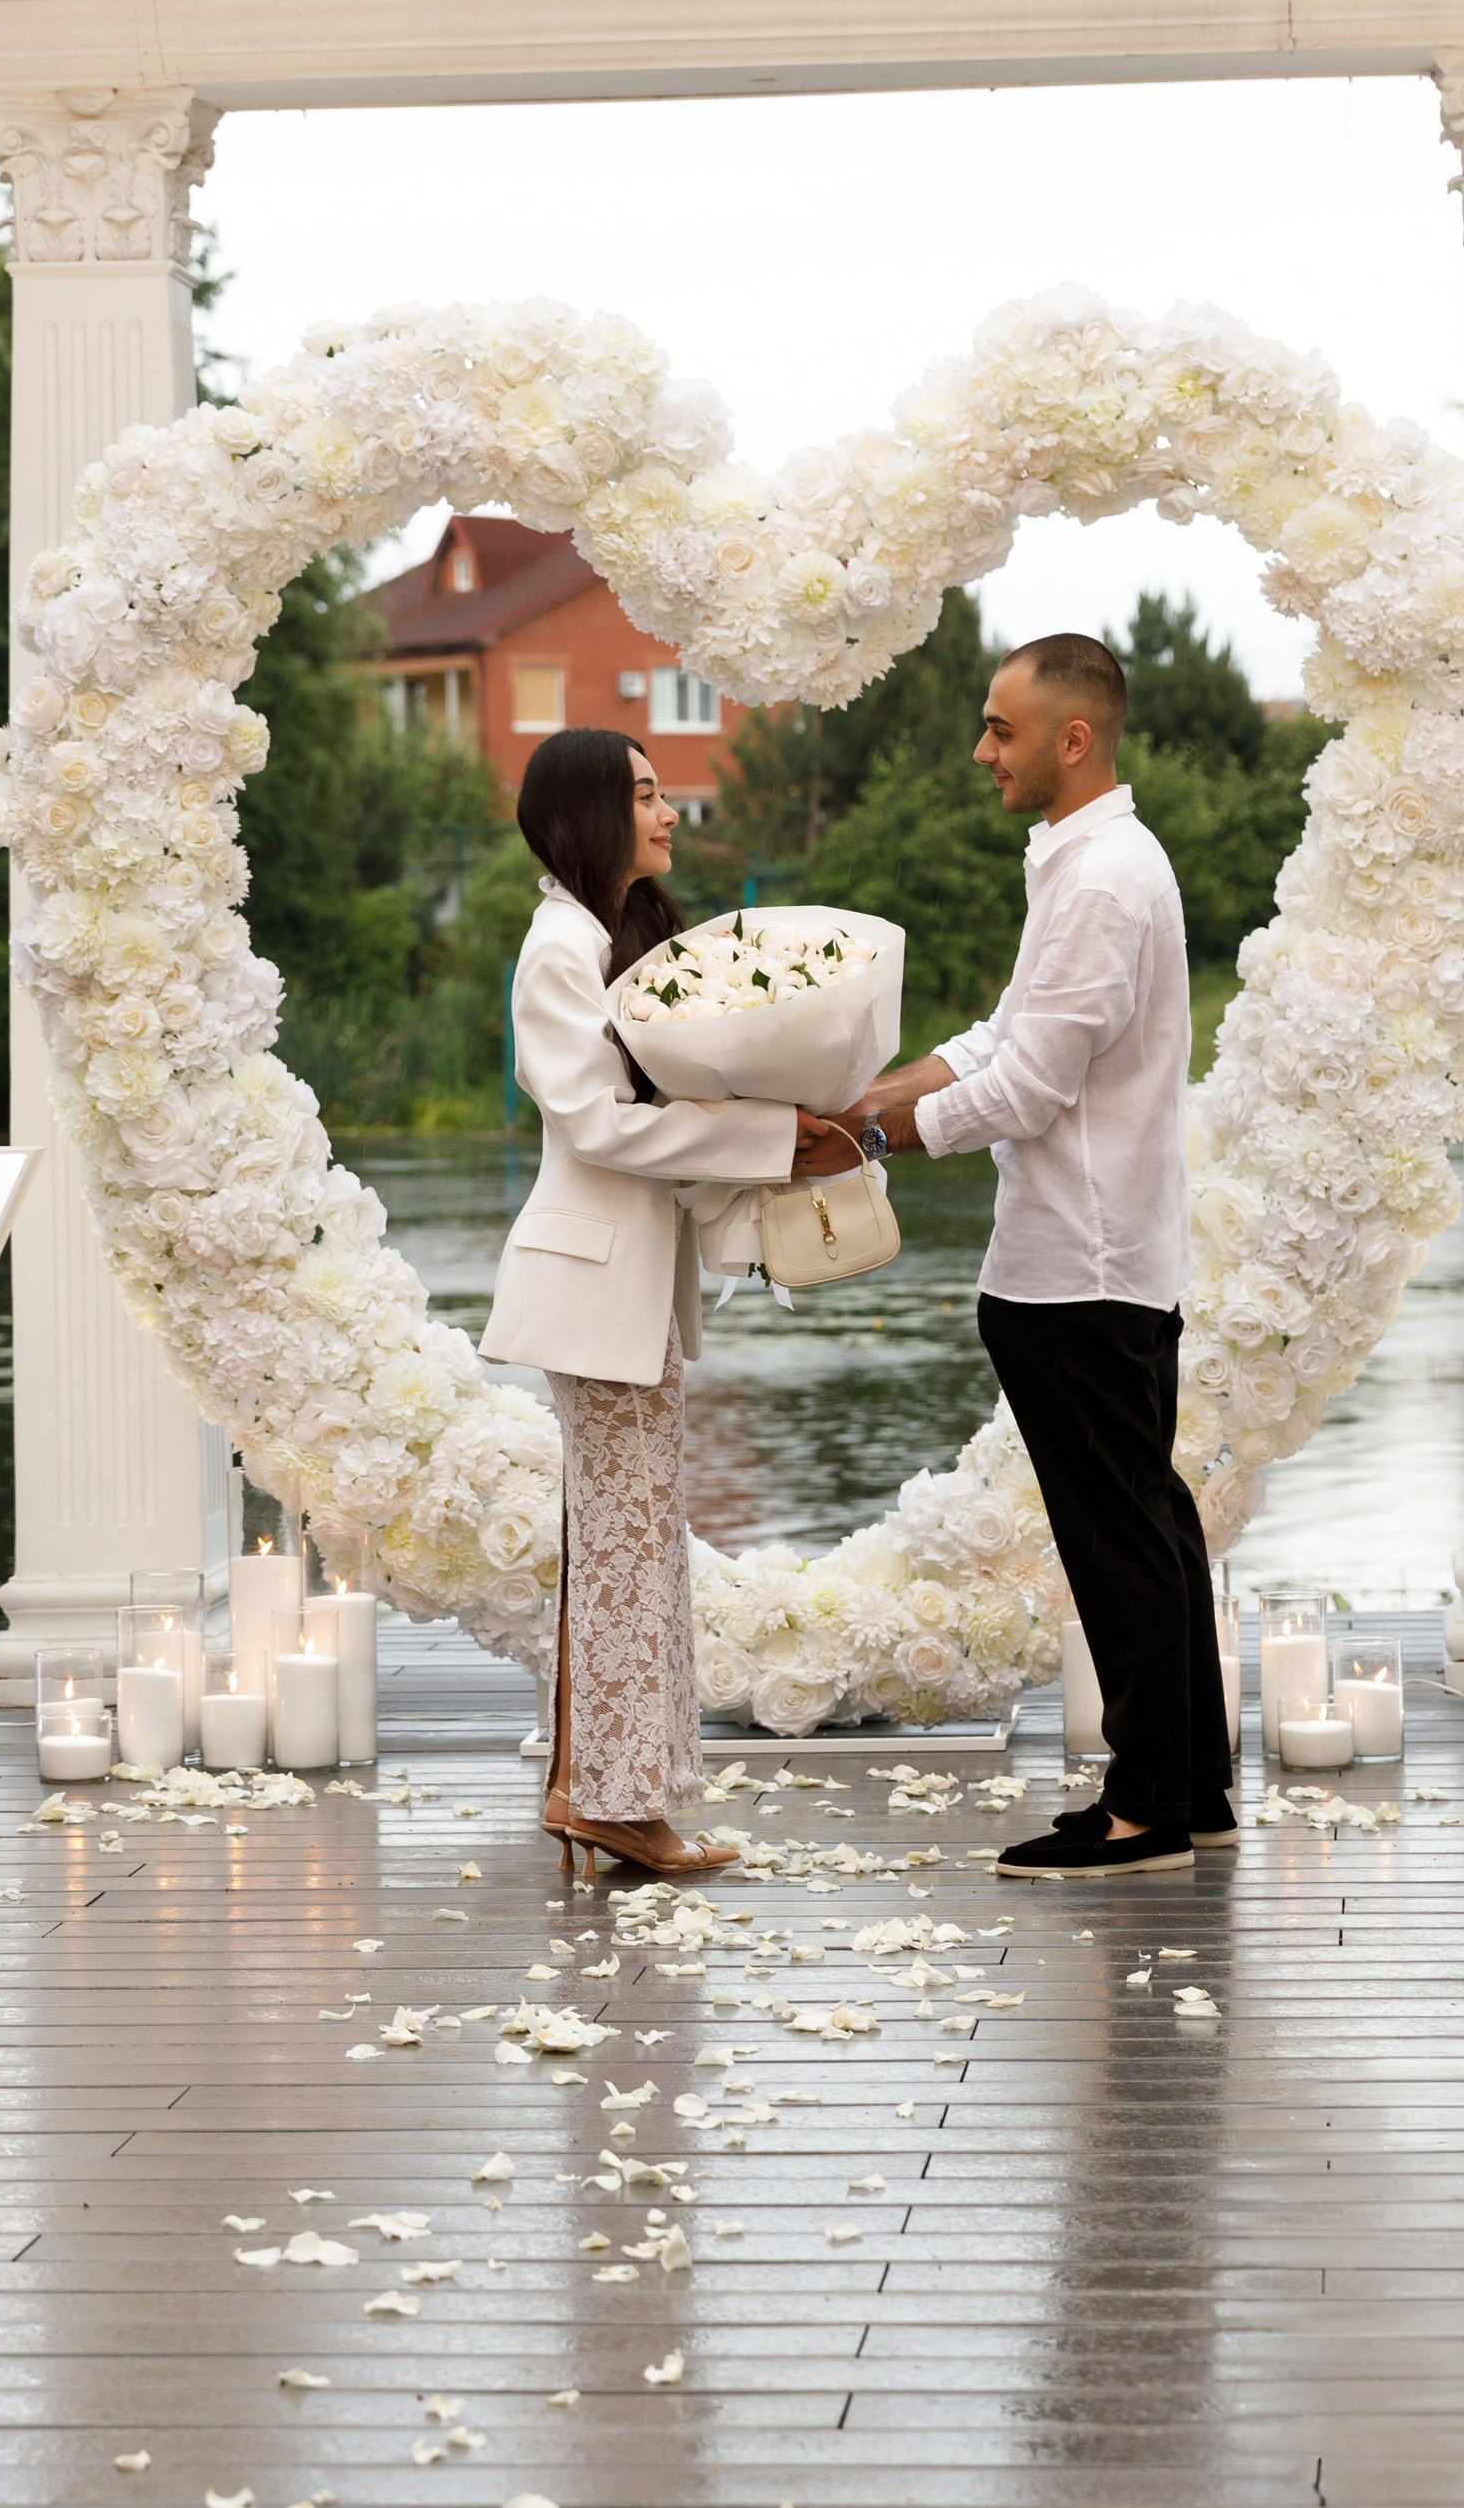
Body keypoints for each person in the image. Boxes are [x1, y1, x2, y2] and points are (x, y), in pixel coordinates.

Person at [850, 633, 1230, 1882]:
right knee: (1149, 1522)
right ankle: (1189, 1788)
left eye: (1000, 728)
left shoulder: (1105, 878)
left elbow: (1024, 1088)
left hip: (1081, 1263)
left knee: (1120, 1537)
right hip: (1101, 1257)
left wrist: (863, 1137)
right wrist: (867, 1091)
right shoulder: (1090, 863)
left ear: (1074, 738)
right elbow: (1003, 1035)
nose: (981, 751)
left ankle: (1146, 1810)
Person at [482, 726, 857, 1879]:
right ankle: (608, 1799)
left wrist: (781, 1137)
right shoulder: (559, 950)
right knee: (622, 1546)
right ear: (591, 812)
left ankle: (608, 1791)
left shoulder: (616, 941)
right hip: (592, 1290)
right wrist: (765, 1139)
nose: (667, 812)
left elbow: (654, 1121)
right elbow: (598, 1125)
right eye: (645, 795)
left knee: (636, 1543)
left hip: (633, 1293)